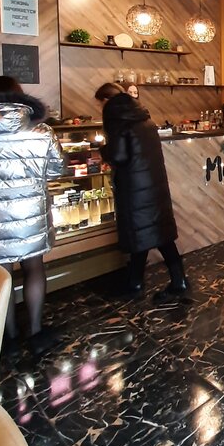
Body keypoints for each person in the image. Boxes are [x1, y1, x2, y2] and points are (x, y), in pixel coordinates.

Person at [0, 75, 66, 354]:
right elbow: (57, 170)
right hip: (30, 215)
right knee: (34, 267)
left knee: (0, 274)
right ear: (19, 97)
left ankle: (9, 335)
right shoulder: (41, 132)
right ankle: (35, 330)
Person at [94, 82, 188, 298]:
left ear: (107, 101)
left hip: (135, 189)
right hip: (153, 185)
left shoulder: (118, 121)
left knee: (144, 234)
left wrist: (102, 150)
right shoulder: (145, 118)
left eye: (100, 104)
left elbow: (118, 155)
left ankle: (151, 282)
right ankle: (151, 281)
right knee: (155, 234)